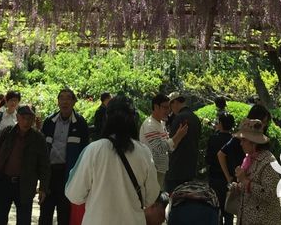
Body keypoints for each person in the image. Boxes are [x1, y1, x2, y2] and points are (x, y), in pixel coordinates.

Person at [65, 95, 160, 224]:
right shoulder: (144, 152)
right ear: (133, 119)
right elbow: (151, 196)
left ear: (107, 118)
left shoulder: (93, 150)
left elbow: (74, 195)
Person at [0, 104, 50, 225]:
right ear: (18, 117)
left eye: (29, 118)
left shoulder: (38, 139)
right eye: (23, 118)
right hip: (4, 182)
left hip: (25, 184)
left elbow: (44, 165)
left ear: (33, 120)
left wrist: (43, 188)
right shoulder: (7, 133)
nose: (26, 122)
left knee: (24, 219)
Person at [39, 88, 89, 225]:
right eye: (62, 98)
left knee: (65, 215)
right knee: (45, 213)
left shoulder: (80, 123)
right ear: (58, 102)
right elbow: (42, 151)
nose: (64, 101)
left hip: (69, 176)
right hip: (50, 175)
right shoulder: (49, 122)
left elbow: (85, 152)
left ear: (73, 102)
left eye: (68, 98)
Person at [229, 118, 281, 225]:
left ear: (254, 143)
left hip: (263, 220)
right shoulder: (249, 159)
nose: (241, 144)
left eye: (244, 140)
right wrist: (238, 187)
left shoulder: (268, 162)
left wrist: (245, 181)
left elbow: (270, 194)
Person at [139, 92, 188, 190]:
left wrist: (179, 136)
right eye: (165, 107)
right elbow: (161, 148)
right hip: (152, 170)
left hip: (160, 169)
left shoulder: (161, 123)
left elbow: (169, 148)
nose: (168, 110)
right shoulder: (150, 125)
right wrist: (178, 135)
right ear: (156, 107)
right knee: (152, 202)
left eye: (168, 107)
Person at [218, 104, 270, 187]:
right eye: (262, 122)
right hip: (240, 182)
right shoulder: (240, 138)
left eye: (266, 122)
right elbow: (221, 154)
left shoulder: (267, 157)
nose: (264, 125)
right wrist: (228, 178)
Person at [165, 91, 201, 192]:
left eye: (170, 106)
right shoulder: (195, 118)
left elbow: (173, 144)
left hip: (176, 169)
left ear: (175, 102)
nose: (170, 110)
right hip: (190, 167)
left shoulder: (179, 118)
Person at [206, 112, 236, 225]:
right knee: (229, 210)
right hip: (230, 179)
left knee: (216, 208)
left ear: (220, 124)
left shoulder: (213, 139)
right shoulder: (235, 140)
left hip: (215, 178)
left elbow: (208, 159)